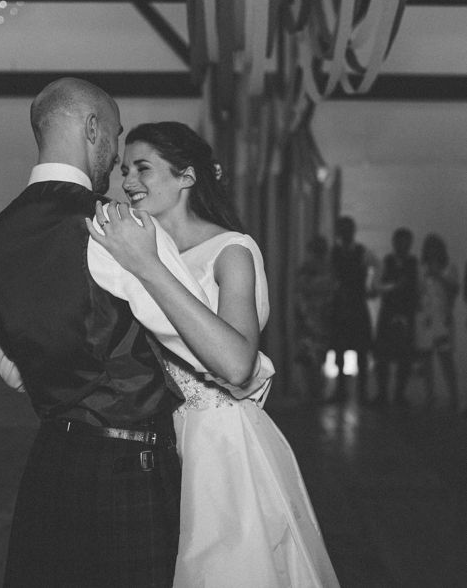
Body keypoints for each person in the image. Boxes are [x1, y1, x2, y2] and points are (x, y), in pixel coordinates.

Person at [0, 79, 270, 587]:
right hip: (129, 465)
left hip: (48, 464)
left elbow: (16, 371)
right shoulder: (115, 228)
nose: (117, 164)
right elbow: (228, 362)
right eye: (114, 137)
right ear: (92, 129)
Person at [86, 122, 339, 587]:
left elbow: (238, 363)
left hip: (219, 443)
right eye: (124, 170)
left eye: (143, 168)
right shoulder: (137, 245)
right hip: (156, 440)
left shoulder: (232, 251)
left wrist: (148, 266)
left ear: (187, 176)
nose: (128, 182)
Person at [329, 215, 379, 403]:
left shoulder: (362, 252)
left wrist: (371, 287)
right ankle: (342, 390)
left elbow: (374, 269)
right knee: (341, 349)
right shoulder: (336, 252)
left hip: (355, 303)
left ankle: (361, 391)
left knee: (361, 350)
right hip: (343, 303)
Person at [371, 228, 418, 407]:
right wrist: (395, 287)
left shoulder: (414, 263)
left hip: (406, 314)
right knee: (383, 355)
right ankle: (383, 393)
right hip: (389, 313)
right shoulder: (387, 262)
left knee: (404, 357)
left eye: (406, 242)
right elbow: (377, 287)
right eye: (400, 242)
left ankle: (399, 394)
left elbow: (418, 288)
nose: (402, 246)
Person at [414, 233, 459, 412]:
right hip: (425, 318)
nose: (432, 250)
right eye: (429, 246)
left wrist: (438, 274)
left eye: (435, 246)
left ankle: (454, 396)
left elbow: (454, 290)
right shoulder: (420, 267)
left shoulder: (450, 267)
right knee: (426, 359)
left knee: (446, 358)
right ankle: (430, 395)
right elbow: (418, 292)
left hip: (442, 317)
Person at [294, 235, 336, 403]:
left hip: (318, 318)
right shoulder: (312, 269)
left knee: (315, 358)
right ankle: (312, 392)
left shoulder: (324, 269)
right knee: (310, 358)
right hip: (312, 318)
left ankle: (314, 392)